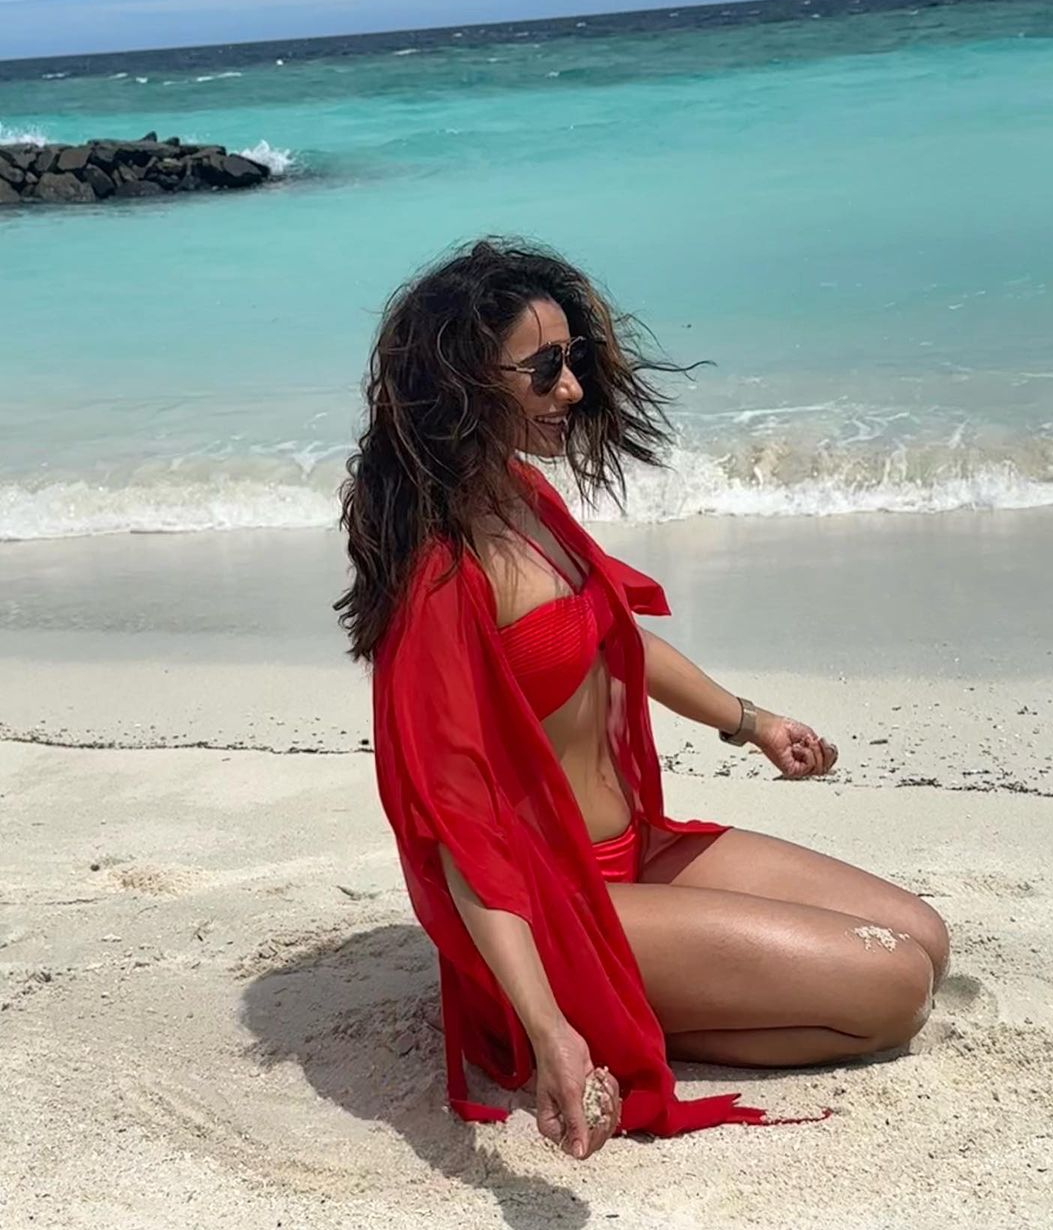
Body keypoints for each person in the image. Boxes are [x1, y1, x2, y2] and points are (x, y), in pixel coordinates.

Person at [336, 239, 950, 1161]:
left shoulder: (521, 495)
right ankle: (606, 1016)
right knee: (895, 990)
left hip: (637, 850)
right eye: (544, 369)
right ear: (463, 382)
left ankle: (650, 995)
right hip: (557, 906)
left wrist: (753, 723)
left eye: (572, 359)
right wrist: (550, 1029)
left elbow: (614, 640)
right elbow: (459, 828)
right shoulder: (441, 573)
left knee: (925, 938)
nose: (572, 387)